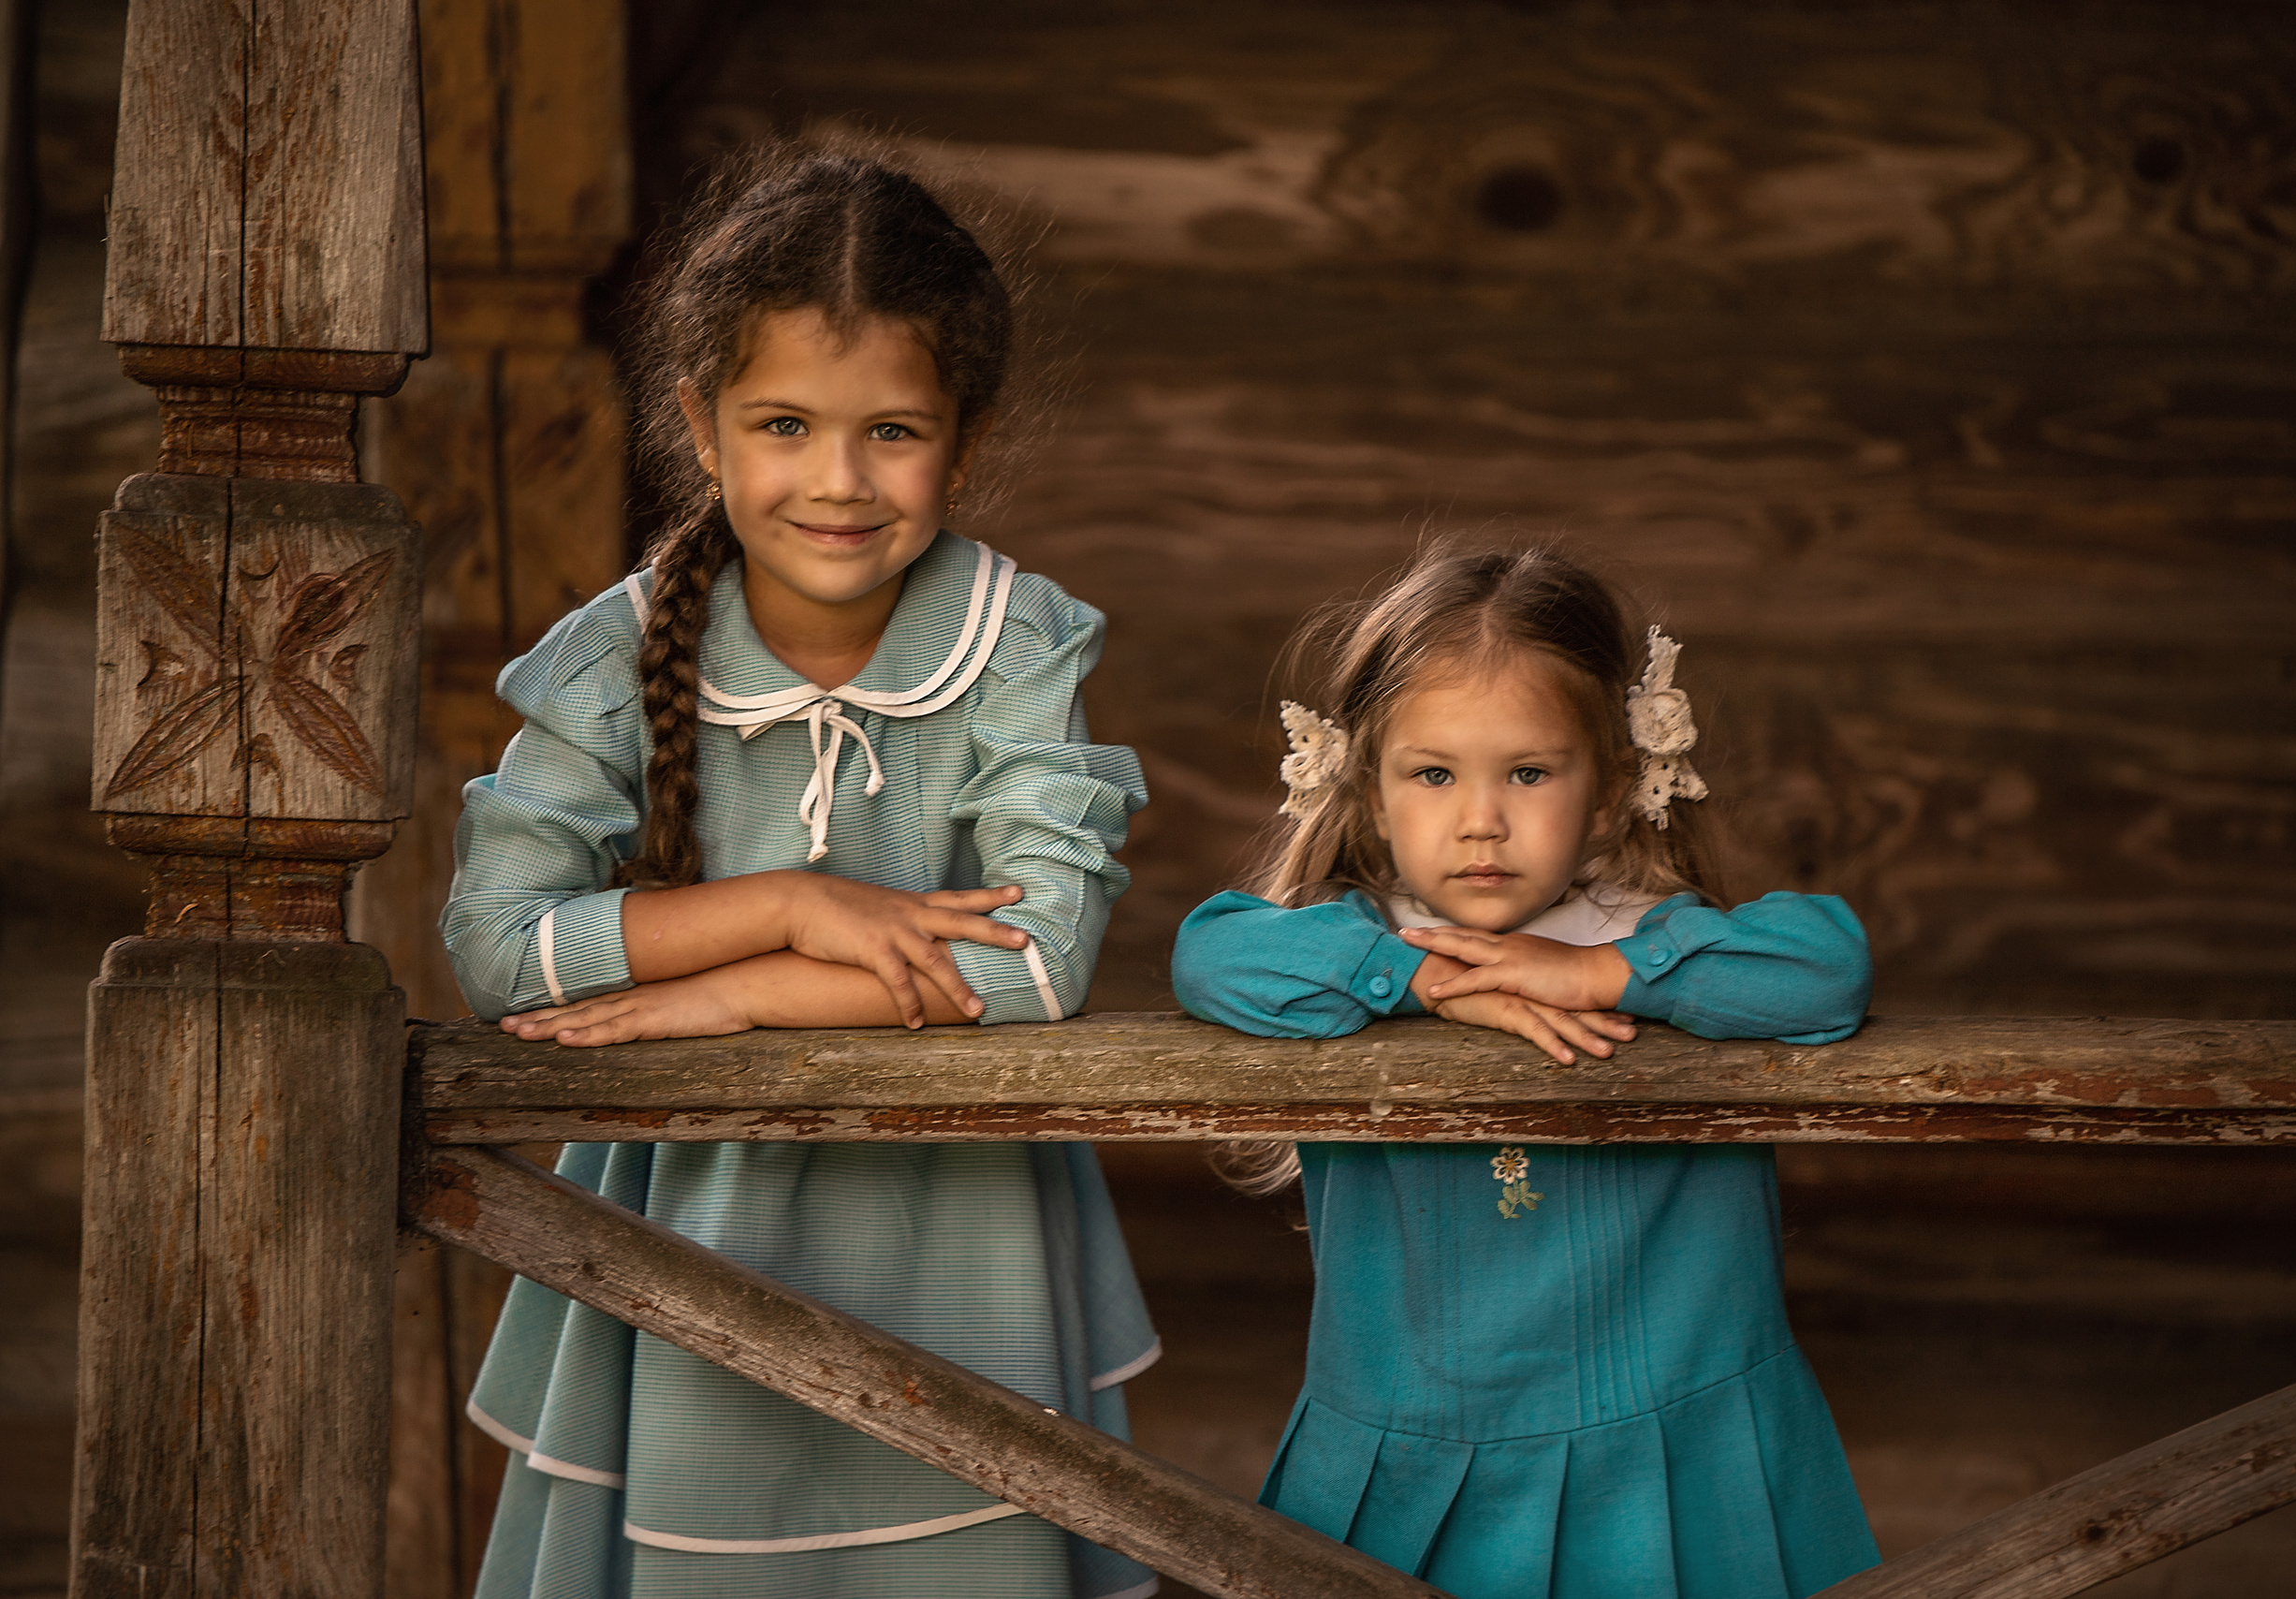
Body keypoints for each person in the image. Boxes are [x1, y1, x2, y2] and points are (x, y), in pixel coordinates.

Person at [440, 147, 1158, 1599]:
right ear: (702, 427)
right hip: (683, 1243)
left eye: (891, 430)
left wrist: (742, 988)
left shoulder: (1019, 646)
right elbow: (499, 947)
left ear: (967, 438)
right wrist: (790, 900)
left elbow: (1036, 966)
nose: (838, 481)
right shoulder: (611, 653)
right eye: (783, 423)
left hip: (965, 1256)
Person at [1172, 545, 1881, 1598]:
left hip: (1667, 1444)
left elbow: (1827, 970)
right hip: (1410, 1447)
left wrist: (1601, 972)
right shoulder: (1350, 941)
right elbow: (1208, 953)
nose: (1481, 819)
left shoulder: (1657, 936)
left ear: (1609, 795)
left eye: (1530, 772)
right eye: (1433, 773)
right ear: (1368, 797)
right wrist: (1420, 979)